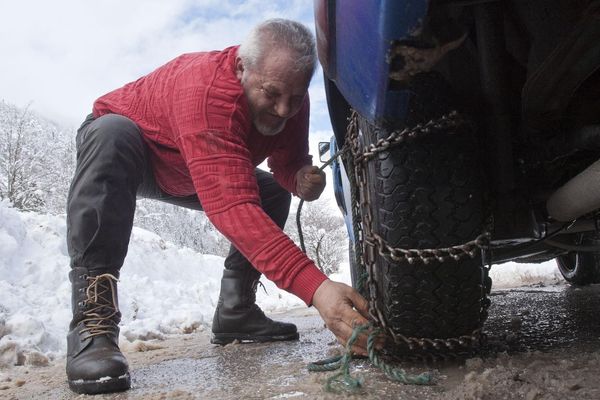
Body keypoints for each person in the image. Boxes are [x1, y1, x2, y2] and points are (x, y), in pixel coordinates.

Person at [65, 18, 370, 395]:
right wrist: (317, 289)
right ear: (242, 68)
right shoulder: (206, 90)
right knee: (113, 134)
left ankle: (235, 311)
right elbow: (233, 206)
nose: (282, 109)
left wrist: (300, 179)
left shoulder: (289, 99)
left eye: (295, 97)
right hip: (135, 153)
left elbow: (285, 166)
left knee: (272, 192)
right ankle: (93, 323)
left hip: (188, 168)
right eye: (272, 93)